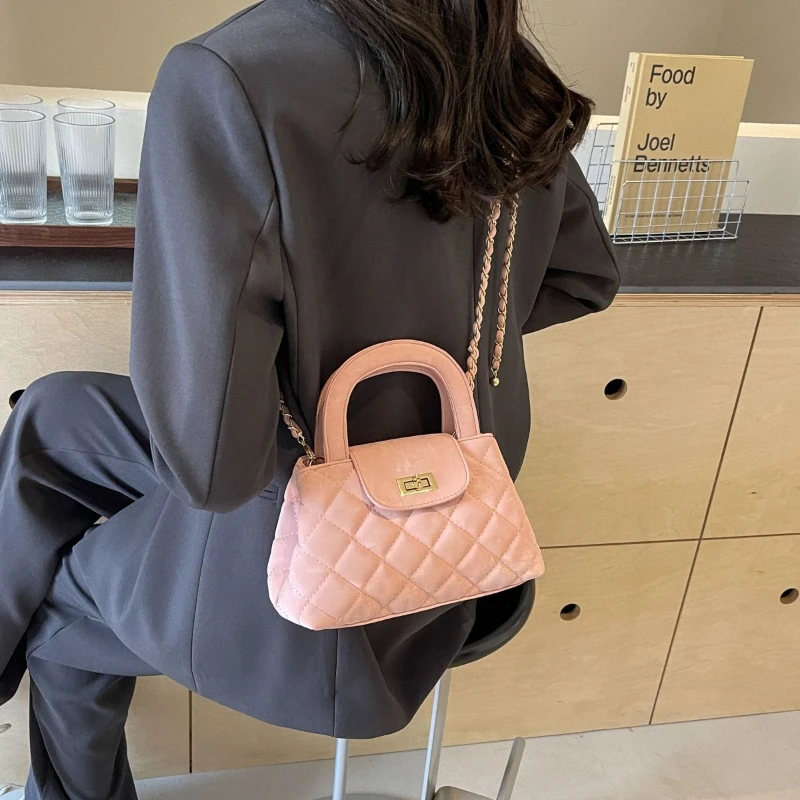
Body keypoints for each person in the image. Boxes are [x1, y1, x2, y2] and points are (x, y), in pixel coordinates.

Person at [0, 0, 619, 797]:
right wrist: (411, 362)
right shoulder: (501, 68)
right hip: (458, 529)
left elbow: (211, 473)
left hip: (314, 586)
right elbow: (584, 276)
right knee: (52, 413)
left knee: (54, 610)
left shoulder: (230, 75)